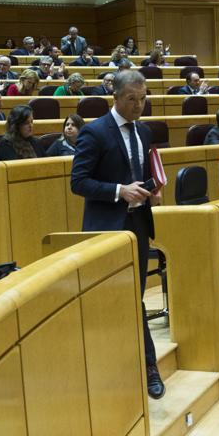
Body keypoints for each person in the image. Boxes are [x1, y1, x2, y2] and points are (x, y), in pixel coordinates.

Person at [68, 71, 164, 397]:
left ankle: (146, 366)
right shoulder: (94, 133)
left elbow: (141, 174)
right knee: (108, 302)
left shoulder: (144, 131)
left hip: (138, 227)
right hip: (105, 230)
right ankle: (129, 367)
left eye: (143, 98)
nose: (139, 105)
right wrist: (120, 191)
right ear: (116, 97)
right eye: (132, 99)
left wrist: (150, 190)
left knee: (133, 298)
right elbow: (78, 183)